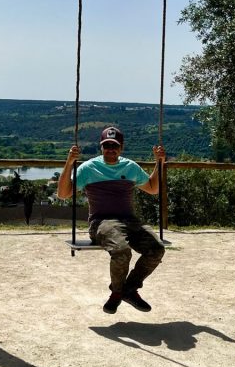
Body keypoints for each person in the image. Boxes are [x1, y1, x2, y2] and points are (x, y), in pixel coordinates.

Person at [58, 126, 166, 314]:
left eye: (114, 146)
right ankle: (117, 293)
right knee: (121, 250)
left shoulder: (130, 167)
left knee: (156, 249)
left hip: (130, 221)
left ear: (121, 148)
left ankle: (128, 289)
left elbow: (152, 188)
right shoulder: (89, 168)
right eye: (106, 145)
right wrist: (69, 162)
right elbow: (63, 194)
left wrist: (159, 162)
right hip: (101, 222)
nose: (110, 149)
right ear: (101, 147)